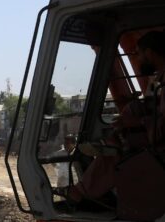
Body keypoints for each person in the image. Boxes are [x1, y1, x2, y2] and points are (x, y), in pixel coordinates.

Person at [68, 30, 165, 204]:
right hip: (156, 134)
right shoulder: (159, 81)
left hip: (160, 142)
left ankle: (82, 192)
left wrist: (134, 123)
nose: (139, 59)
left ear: (150, 53)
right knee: (129, 118)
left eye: (139, 54)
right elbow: (152, 106)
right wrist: (132, 115)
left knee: (116, 149)